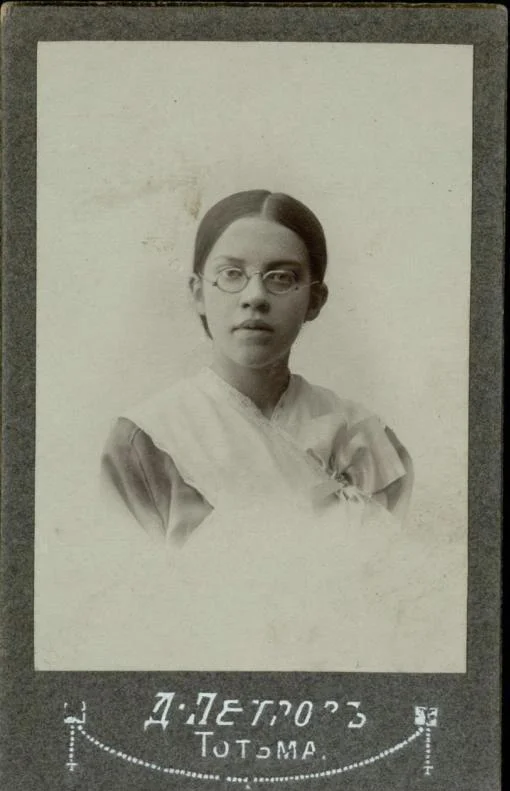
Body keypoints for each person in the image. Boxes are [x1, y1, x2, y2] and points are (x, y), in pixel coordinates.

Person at [101, 190, 413, 548]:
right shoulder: (145, 440)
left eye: (281, 277)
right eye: (231, 274)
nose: (255, 297)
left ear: (315, 300)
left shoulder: (367, 441)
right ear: (198, 293)